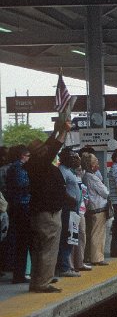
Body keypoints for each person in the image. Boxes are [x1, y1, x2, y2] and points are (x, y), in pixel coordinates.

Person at [26, 119, 71, 293]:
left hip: (39, 212)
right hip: (48, 214)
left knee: (38, 250)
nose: (46, 150)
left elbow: (48, 148)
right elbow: (52, 149)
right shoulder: (40, 165)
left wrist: (56, 131)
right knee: (48, 249)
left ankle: (36, 281)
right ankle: (43, 283)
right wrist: (63, 132)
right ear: (40, 154)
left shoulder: (33, 165)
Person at [6, 145, 31, 284]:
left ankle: (20, 273)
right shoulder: (18, 168)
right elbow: (23, 184)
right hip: (22, 205)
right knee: (23, 241)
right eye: (28, 156)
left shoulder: (12, 168)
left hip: (17, 206)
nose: (29, 158)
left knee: (20, 241)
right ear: (22, 155)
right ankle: (20, 274)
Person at [81, 153, 110, 266]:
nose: (98, 164)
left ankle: (88, 256)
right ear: (92, 165)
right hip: (98, 208)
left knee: (90, 233)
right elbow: (105, 192)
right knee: (97, 234)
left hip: (90, 208)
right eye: (96, 162)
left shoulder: (85, 176)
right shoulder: (92, 177)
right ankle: (97, 258)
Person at [57, 148, 80, 278]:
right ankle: (64, 267)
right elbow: (61, 189)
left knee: (71, 237)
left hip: (72, 208)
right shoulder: (62, 171)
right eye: (71, 157)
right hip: (68, 208)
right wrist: (71, 199)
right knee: (67, 237)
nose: (73, 159)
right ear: (64, 158)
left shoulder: (69, 170)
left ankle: (67, 265)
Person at [70, 153, 92, 272]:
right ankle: (72, 264)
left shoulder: (79, 176)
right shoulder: (70, 175)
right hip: (74, 210)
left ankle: (79, 261)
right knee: (73, 237)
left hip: (81, 209)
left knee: (81, 235)